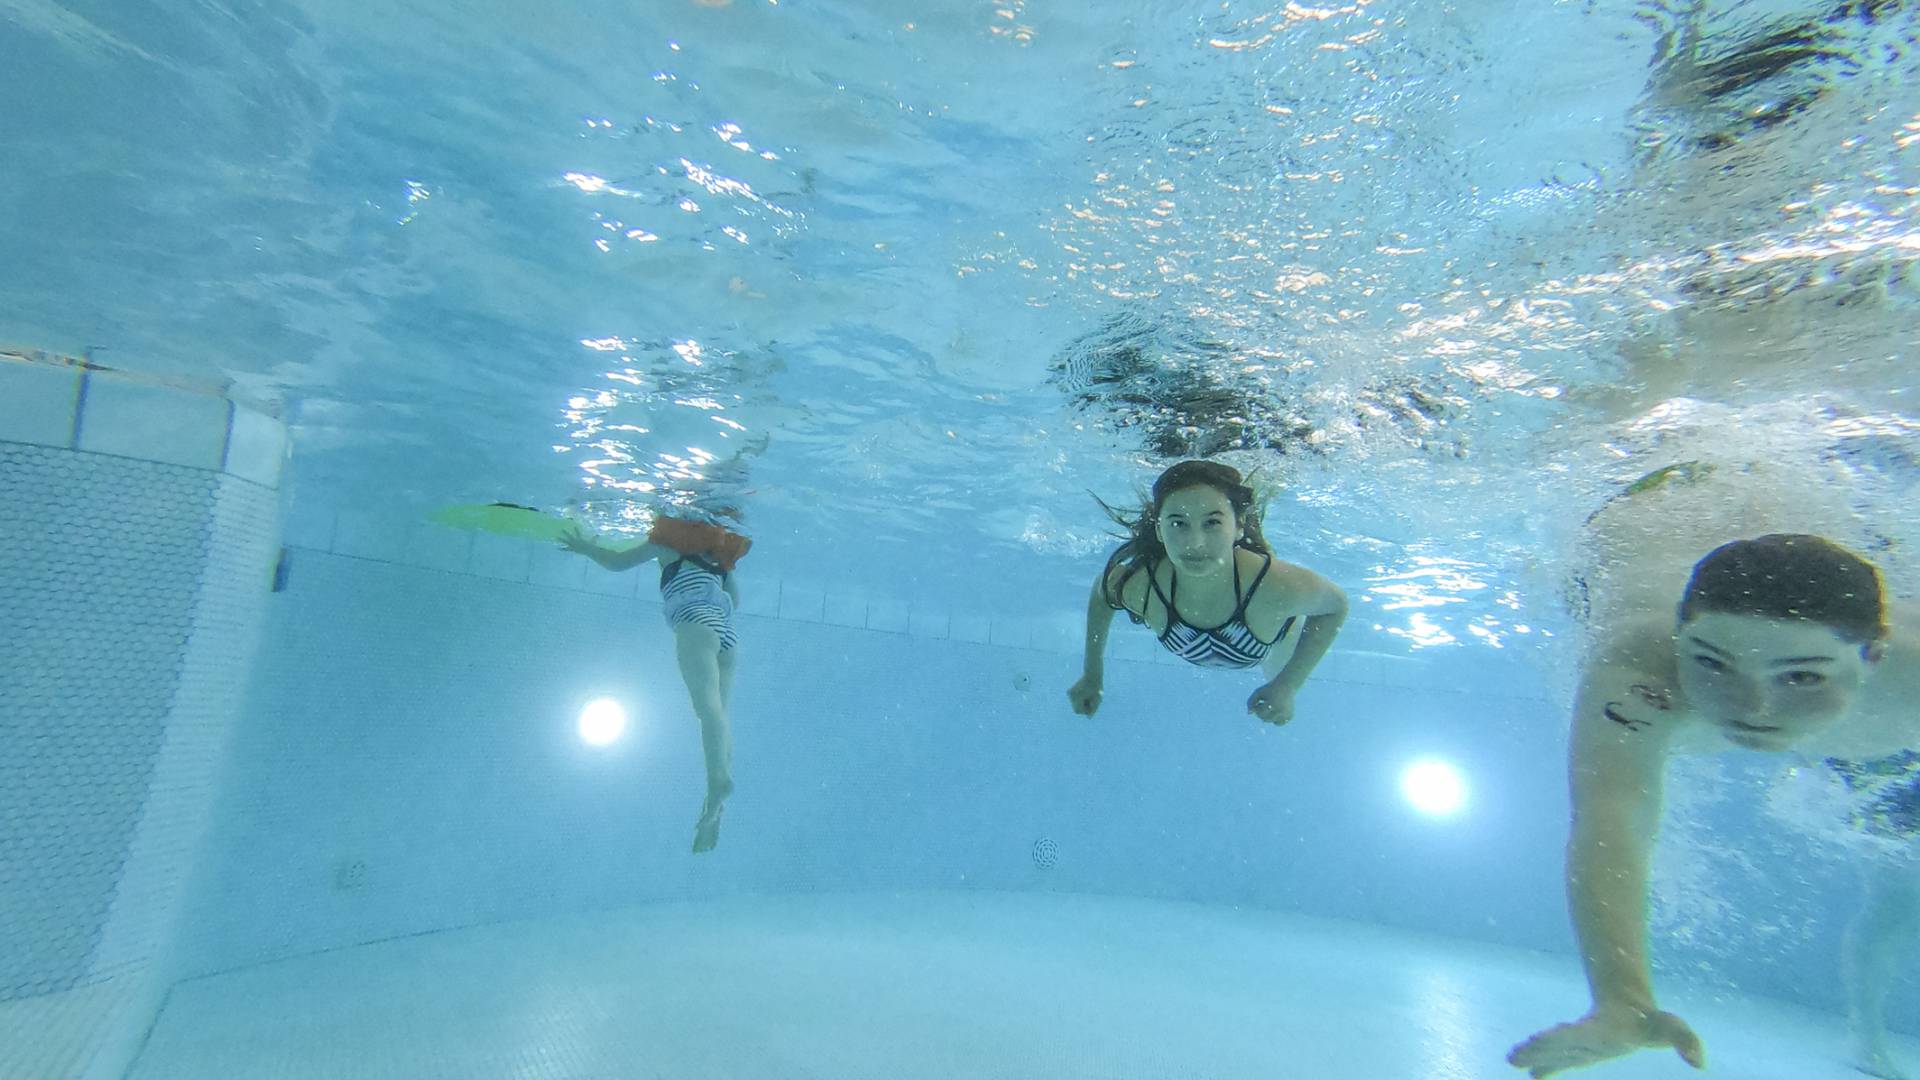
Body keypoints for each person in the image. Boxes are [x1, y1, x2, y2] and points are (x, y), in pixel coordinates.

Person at [1507, 531, 1920, 1078]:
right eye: (1713, 664)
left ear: (1874, 656)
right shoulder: (1642, 671)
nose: (1753, 708)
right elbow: (1614, 818)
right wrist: (1624, 1000)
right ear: (1680, 636)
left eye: (1801, 676)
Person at [1068, 459, 1348, 723]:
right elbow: (1103, 591)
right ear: (1160, 530)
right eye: (1178, 523)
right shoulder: (1146, 587)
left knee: (1278, 685)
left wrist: (1287, 686)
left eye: (1212, 523)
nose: (1195, 543)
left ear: (1239, 526)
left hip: (1273, 642)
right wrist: (1092, 675)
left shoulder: (1272, 587)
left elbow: (1336, 605)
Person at [558, 514, 751, 854]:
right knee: (721, 714)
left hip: (695, 622)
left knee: (707, 710)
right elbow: (734, 600)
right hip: (727, 634)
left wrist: (587, 547)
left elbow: (617, 562)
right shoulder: (719, 556)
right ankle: (714, 806)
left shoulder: (666, 543)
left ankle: (717, 783)